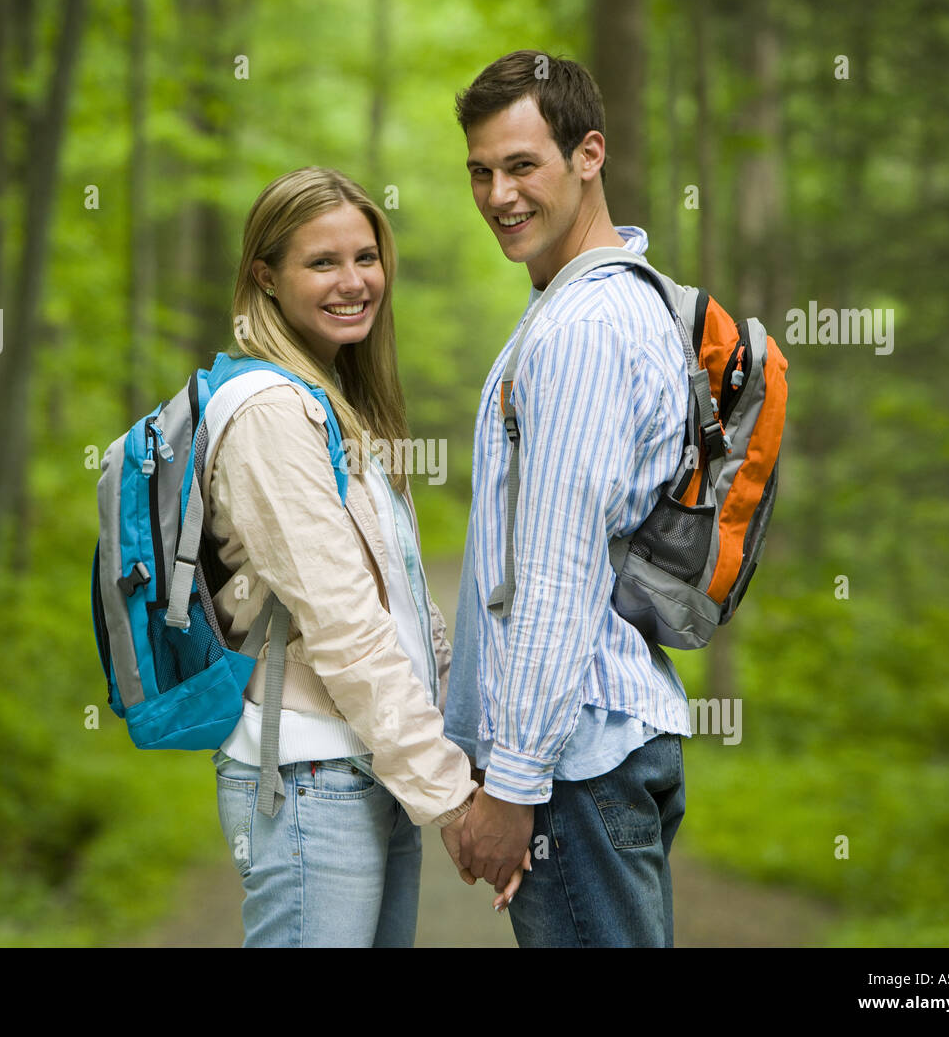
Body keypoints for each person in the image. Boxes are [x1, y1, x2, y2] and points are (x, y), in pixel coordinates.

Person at [204, 166, 524, 948]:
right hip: (310, 782)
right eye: (322, 263)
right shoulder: (269, 417)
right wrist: (453, 800)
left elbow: (405, 606)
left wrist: (458, 752)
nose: (354, 282)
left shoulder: (335, 408)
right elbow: (347, 628)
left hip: (363, 771)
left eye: (366, 258)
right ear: (265, 280)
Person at [443, 51, 692, 947]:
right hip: (596, 744)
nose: (499, 195)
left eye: (522, 166)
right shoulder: (591, 304)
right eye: (481, 170)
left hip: (577, 763)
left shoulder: (583, 329)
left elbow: (556, 571)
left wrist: (513, 783)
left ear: (589, 154)